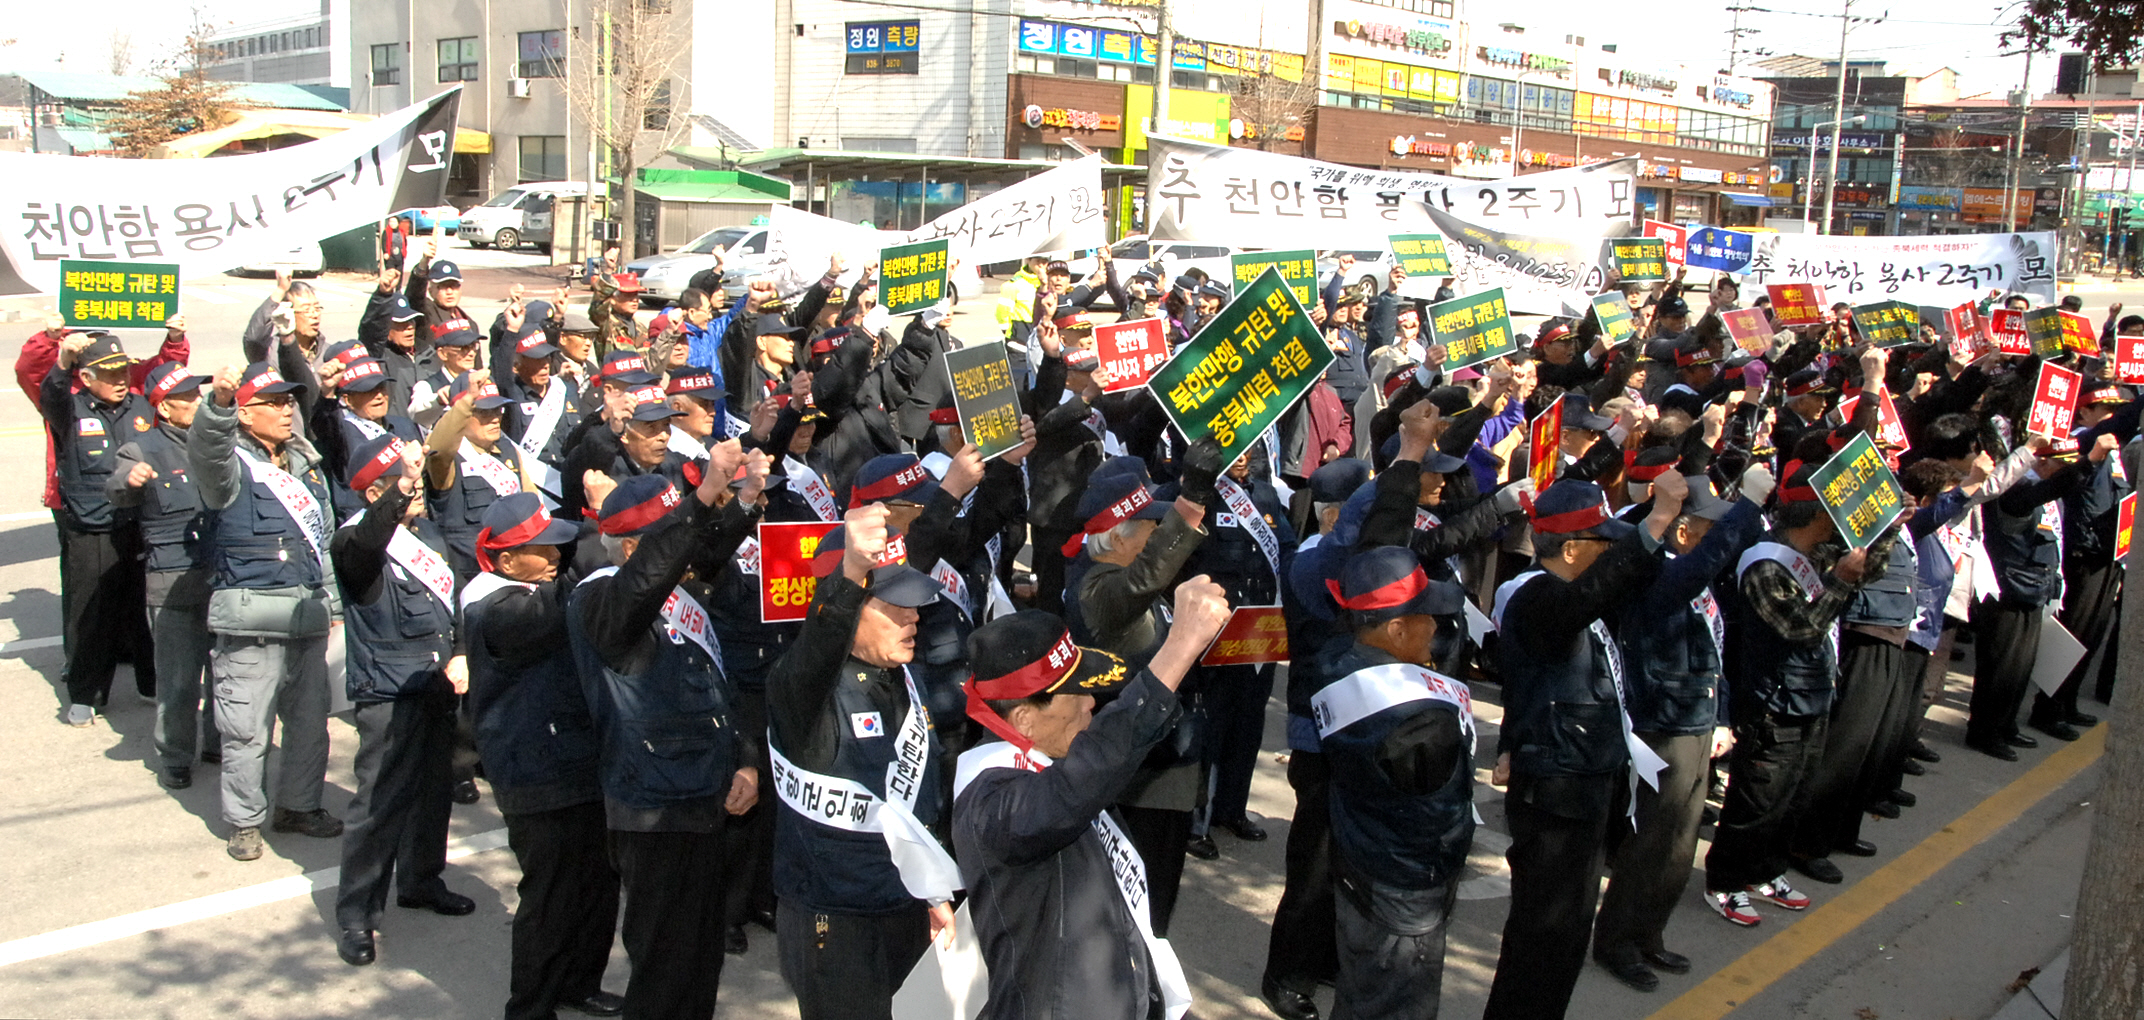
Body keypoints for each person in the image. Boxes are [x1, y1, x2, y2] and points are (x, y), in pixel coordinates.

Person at [951, 577, 1234, 1020]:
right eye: (1076, 692)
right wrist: (1178, 647)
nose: (1091, 703)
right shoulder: (992, 804)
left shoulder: (1048, 763)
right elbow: (1083, 780)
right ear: (1024, 718)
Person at [566, 457, 765, 1020]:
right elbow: (642, 586)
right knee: (661, 965)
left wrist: (746, 761)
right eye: (672, 536)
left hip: (704, 798)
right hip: (652, 807)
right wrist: (697, 506)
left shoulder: (685, 593)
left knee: (701, 958)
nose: (688, 553)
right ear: (633, 550)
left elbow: (717, 692)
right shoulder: (599, 601)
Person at [1480, 474, 1684, 1020]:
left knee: (1565, 933)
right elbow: (1591, 597)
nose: (1612, 554)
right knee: (1542, 935)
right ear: (1571, 549)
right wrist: (1657, 522)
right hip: (1556, 789)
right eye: (1604, 543)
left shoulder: (1564, 599)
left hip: (1579, 778)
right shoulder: (1542, 598)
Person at [765, 505, 959, 1019]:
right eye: (893, 606)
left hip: (902, 907)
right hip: (836, 922)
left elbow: (918, 800)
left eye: (914, 604)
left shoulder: (901, 675)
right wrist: (848, 575)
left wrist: (931, 891)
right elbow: (818, 642)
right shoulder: (802, 687)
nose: (913, 616)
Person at [1591, 468, 1771, 991]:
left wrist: (1720, 717)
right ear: (1684, 531)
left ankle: (1649, 933)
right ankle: (1617, 942)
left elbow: (1712, 651)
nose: (1719, 541)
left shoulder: (1696, 578)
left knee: (1679, 843)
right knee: (1650, 842)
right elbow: (1700, 571)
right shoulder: (1655, 574)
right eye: (1710, 528)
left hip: (1697, 719)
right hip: (1662, 722)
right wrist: (1749, 505)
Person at [464, 493, 625, 1020]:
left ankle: (580, 982)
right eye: (542, 548)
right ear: (506, 560)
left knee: (597, 885)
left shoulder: (532, 590)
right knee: (551, 895)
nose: (556, 555)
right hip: (535, 772)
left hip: (578, 758)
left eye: (557, 544)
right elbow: (565, 603)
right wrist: (607, 529)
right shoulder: (498, 607)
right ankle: (530, 1005)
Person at [1704, 465, 1885, 926]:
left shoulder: (1820, 552)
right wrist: (1840, 581)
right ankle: (1725, 879)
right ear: (1816, 515)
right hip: (1775, 701)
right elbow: (1799, 628)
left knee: (1796, 794)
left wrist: (1883, 527)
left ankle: (1766, 871)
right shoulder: (1766, 564)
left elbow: (1868, 570)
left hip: (1814, 694)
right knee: (1757, 799)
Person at [188, 362, 342, 861]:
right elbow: (207, 451)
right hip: (251, 622)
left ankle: (298, 806)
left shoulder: (305, 462)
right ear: (247, 413)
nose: (286, 409)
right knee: (246, 731)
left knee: (309, 725)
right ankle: (245, 821)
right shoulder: (230, 466)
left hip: (306, 617)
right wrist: (219, 407)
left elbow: (324, 543)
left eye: (289, 401)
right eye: (274, 402)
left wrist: (335, 604)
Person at [1314, 546, 1475, 1020]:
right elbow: (1441, 819)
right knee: (1398, 1003)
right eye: (1428, 616)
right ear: (1397, 628)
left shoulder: (1338, 658)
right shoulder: (1423, 723)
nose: (1439, 627)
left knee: (1363, 993)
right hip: (1405, 883)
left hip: (1360, 859)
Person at [330, 436, 473, 966]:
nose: (413, 492)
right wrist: (402, 489)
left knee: (434, 791)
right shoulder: (355, 541)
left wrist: (461, 652)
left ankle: (421, 880)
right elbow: (366, 547)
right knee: (379, 805)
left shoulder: (427, 533)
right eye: (398, 481)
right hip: (388, 693)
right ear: (375, 491)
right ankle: (357, 916)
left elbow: (455, 597)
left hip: (436, 685)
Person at [1067, 444, 1218, 937]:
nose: (1159, 538)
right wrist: (1191, 500)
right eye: (1151, 529)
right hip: (1143, 782)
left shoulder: (1117, 581)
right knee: (1139, 917)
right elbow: (1141, 582)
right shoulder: (1097, 590)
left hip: (1164, 767)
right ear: (1117, 538)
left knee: (1156, 904)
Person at [43, 333, 163, 726]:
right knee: (92, 614)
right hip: (92, 529)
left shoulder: (140, 407)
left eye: (123, 371)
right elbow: (50, 394)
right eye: (109, 374)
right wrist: (62, 361)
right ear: (87, 377)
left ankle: (151, 682)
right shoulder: (70, 409)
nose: (119, 379)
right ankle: (85, 693)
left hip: (137, 525)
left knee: (142, 611)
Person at [108, 363, 217, 786]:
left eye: (197, 393)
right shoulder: (141, 449)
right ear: (166, 408)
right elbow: (117, 486)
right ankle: (175, 756)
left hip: (221, 575)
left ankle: (217, 743)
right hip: (173, 583)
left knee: (225, 674)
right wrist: (129, 481)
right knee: (179, 680)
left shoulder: (213, 441)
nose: (197, 401)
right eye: (188, 397)